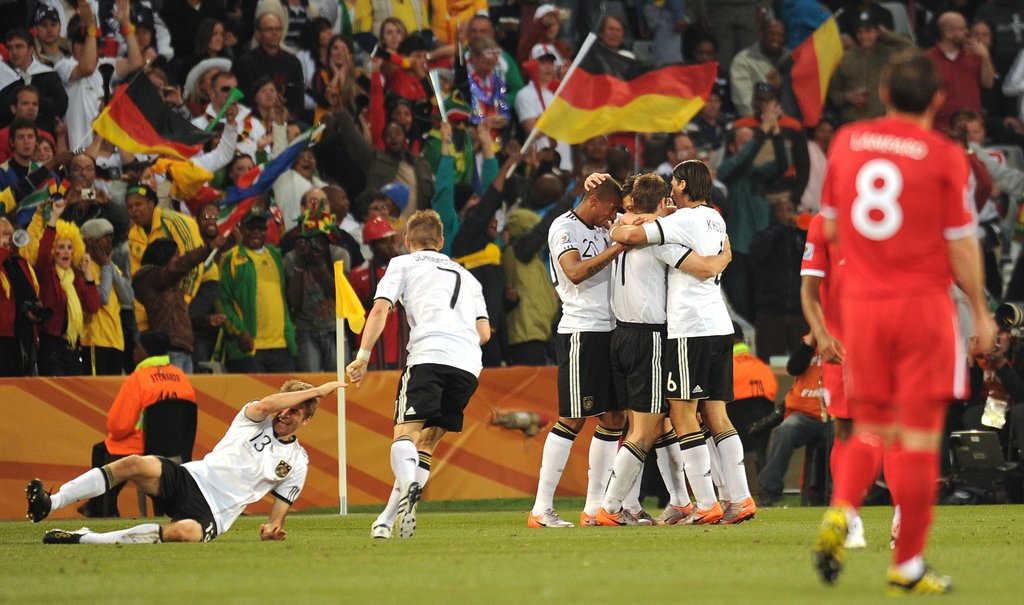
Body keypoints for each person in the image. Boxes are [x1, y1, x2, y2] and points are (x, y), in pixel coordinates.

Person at [811, 51, 994, 595]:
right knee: (917, 437)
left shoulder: (847, 141)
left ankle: (842, 509)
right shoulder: (945, 155)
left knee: (868, 424)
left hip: (861, 309)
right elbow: (960, 245)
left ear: (884, 94)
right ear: (938, 99)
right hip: (921, 307)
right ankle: (907, 563)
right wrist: (981, 310)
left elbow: (831, 228)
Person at [610, 159, 756, 526]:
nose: (672, 191)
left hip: (690, 329)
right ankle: (740, 499)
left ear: (683, 185)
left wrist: (622, 223)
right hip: (719, 325)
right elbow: (711, 256)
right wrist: (723, 258)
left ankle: (705, 503)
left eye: (675, 184)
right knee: (717, 415)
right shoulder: (715, 219)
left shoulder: (680, 222)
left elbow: (628, 237)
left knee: (681, 414)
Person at [27, 379, 342, 543]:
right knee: (134, 463)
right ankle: (50, 504)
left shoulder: (297, 462)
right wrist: (317, 390)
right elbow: (269, 403)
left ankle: (85, 538)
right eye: (286, 407)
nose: (285, 414)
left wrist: (271, 530)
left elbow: (277, 517)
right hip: (190, 478)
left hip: (213, 512)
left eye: (295, 412)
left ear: (306, 420)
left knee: (184, 534)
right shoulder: (254, 418)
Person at [346, 209, 489, 540]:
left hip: (429, 356)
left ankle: (409, 484)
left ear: (407, 241)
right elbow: (484, 333)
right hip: (468, 364)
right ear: (441, 242)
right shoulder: (468, 277)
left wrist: (362, 357)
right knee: (426, 443)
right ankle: (386, 519)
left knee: (405, 436)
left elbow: (380, 309)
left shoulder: (402, 264)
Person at [526, 177, 627, 529]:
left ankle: (594, 508)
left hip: (611, 330)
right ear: (594, 200)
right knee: (572, 418)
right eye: (611, 208)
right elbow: (574, 272)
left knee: (614, 418)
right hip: (581, 331)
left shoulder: (604, 227)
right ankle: (541, 509)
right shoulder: (564, 228)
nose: (613, 216)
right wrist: (617, 248)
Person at [80, 331, 195, 517]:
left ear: (147, 351)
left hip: (141, 448)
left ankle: (102, 509)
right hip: (176, 451)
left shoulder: (138, 379)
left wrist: (116, 436)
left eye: (138, 346)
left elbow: (118, 426)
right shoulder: (182, 378)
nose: (134, 350)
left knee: (101, 451)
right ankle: (97, 507)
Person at [757, 332, 827, 507]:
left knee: (843, 439)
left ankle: (839, 493)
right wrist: (810, 342)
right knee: (785, 430)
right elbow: (793, 368)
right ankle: (770, 490)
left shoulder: (848, 341)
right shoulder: (808, 343)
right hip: (805, 415)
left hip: (836, 415)